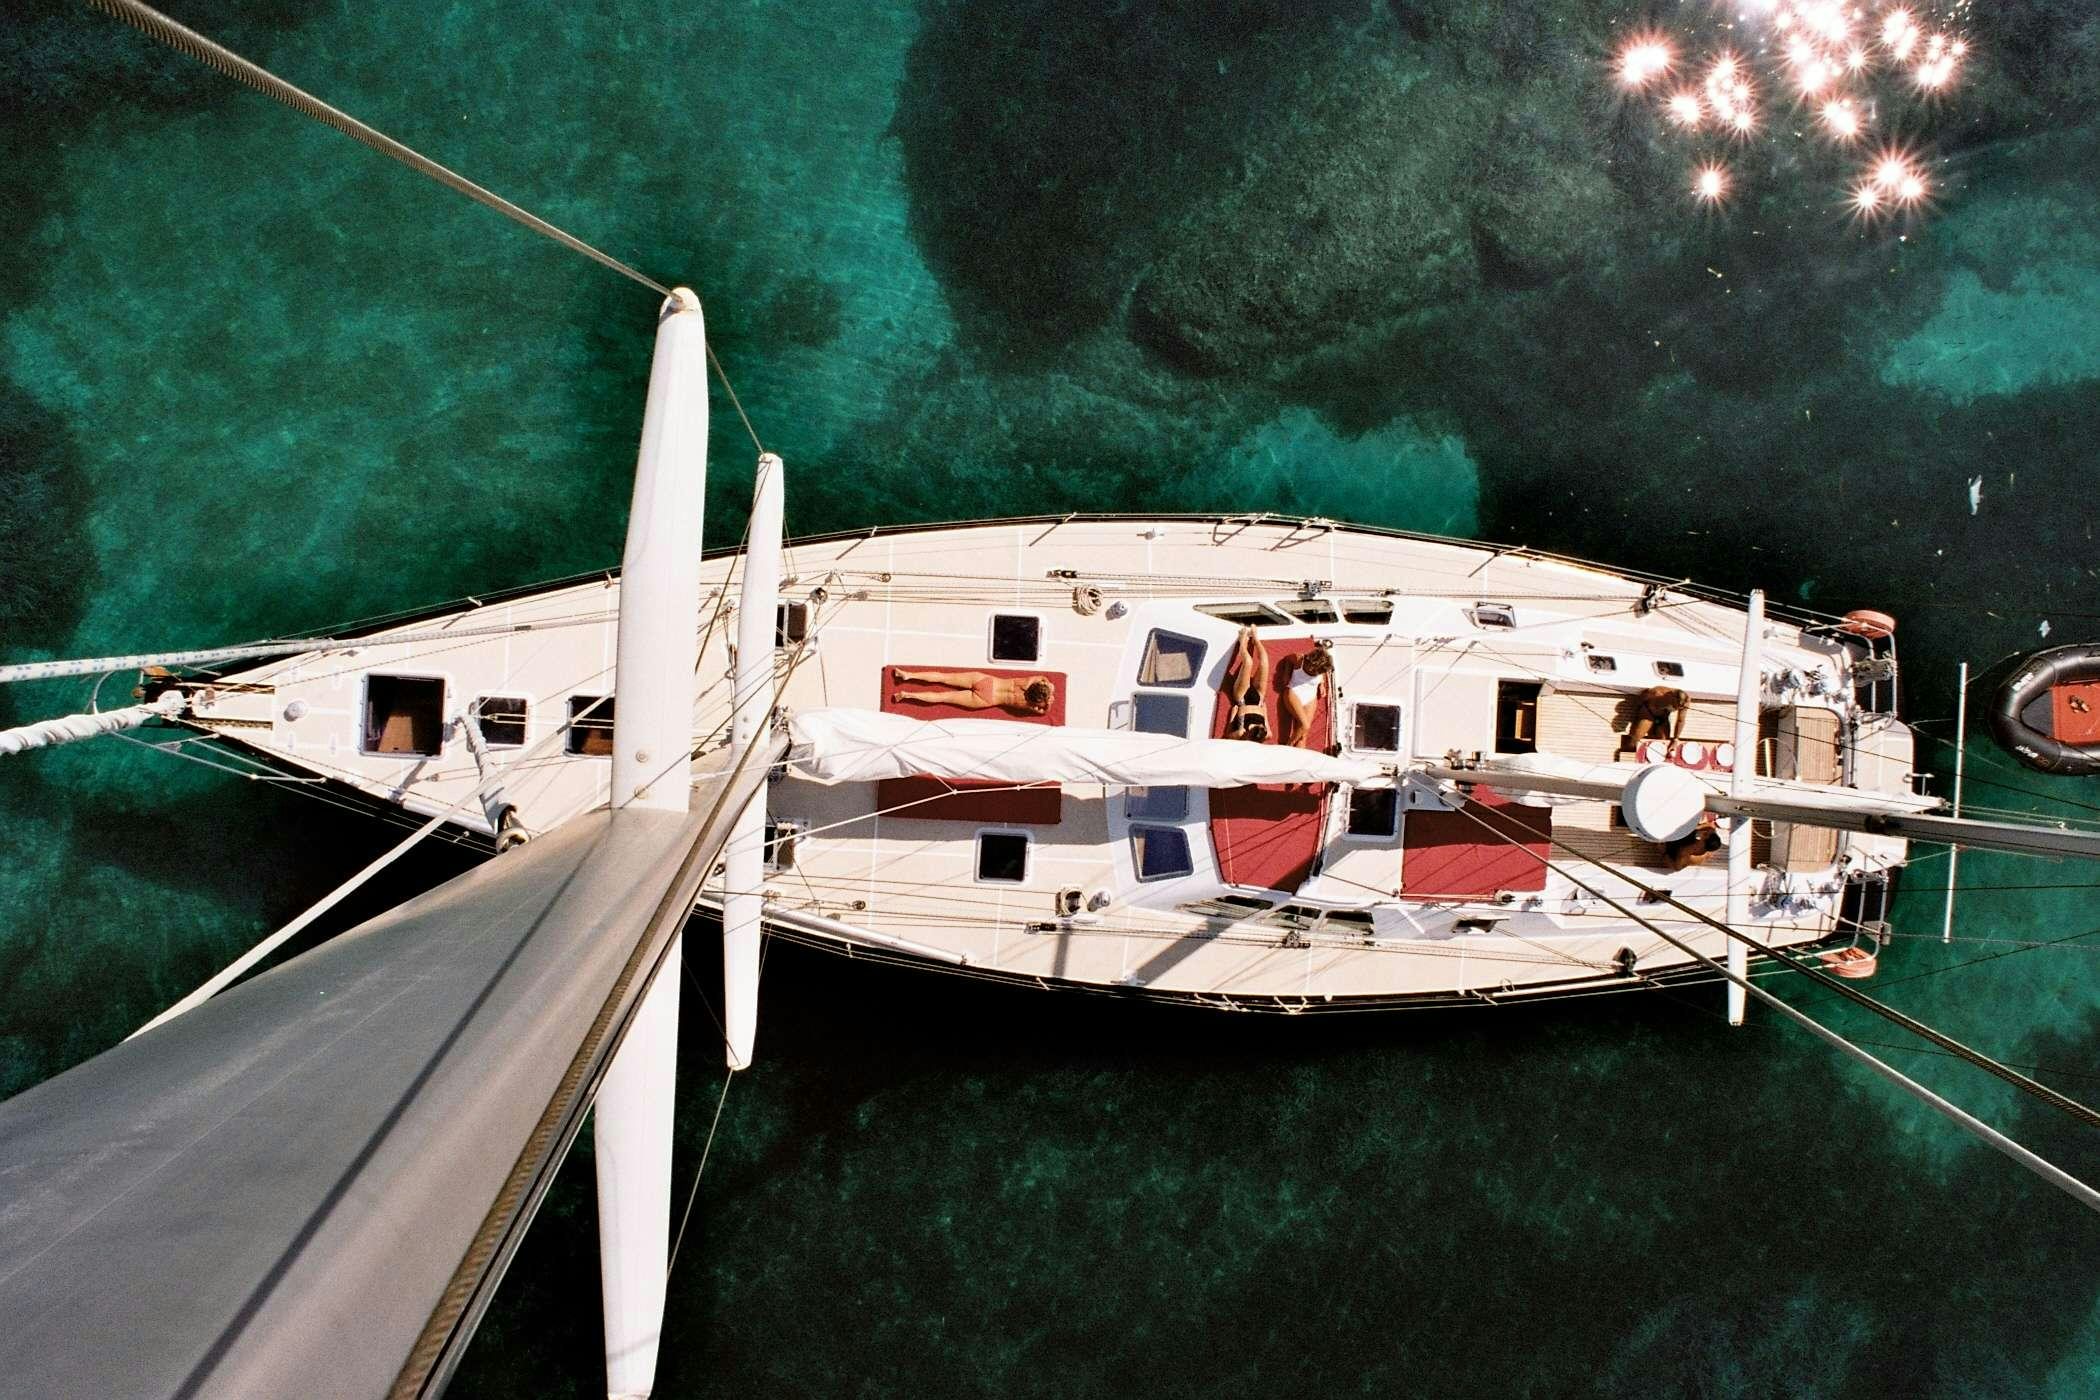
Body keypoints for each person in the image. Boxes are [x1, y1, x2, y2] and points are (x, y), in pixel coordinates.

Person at [891, 669, 1055, 715]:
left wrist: (1048, 689)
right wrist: (1046, 702)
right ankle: (907, 695)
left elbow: (1046, 680)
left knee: (944, 678)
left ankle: (908, 675)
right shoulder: (1028, 704)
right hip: (987, 699)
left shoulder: (1028, 681)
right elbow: (1043, 712)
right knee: (943, 697)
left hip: (988, 681)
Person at [1222, 625, 1271, 742]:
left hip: (1242, 699)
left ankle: (1242, 642)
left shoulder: (1241, 733)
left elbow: (1227, 735)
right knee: (1265, 661)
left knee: (1248, 662)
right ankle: (1255, 639)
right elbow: (1268, 729)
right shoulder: (1266, 734)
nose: (1256, 726)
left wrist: (1232, 716)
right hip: (1259, 700)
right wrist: (1265, 712)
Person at [1280, 645, 1333, 749]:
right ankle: (1288, 748)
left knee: (1303, 737)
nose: (1315, 673)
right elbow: (1287, 659)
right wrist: (1286, 674)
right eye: (1314, 670)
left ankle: (1297, 762)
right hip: (1294, 692)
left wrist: (1322, 683)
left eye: (1318, 672)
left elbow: (1323, 673)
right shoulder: (1299, 659)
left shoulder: (1321, 669)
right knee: (1305, 725)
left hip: (1310, 697)